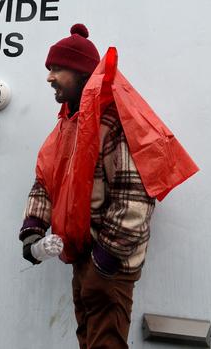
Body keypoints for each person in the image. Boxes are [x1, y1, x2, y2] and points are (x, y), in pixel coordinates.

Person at [19, 23, 156, 349]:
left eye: (57, 69)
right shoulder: (67, 125)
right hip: (85, 261)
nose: (49, 77)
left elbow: (135, 197)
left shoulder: (113, 123)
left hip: (109, 267)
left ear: (82, 72)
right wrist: (33, 233)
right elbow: (45, 182)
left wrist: (103, 263)